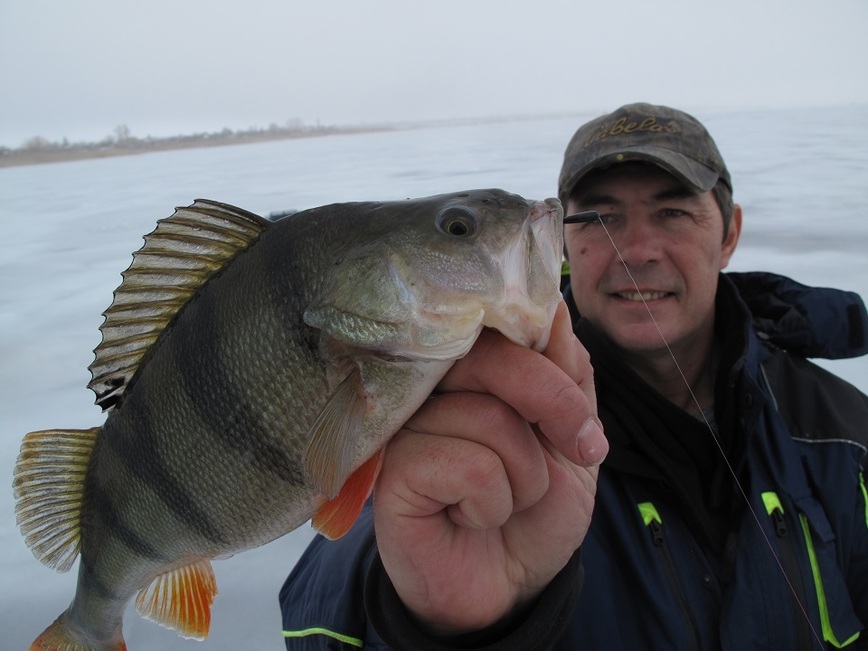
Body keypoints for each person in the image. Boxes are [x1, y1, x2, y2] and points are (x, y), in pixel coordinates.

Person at [279, 103, 868, 649]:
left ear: (730, 233)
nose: (636, 249)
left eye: (672, 212)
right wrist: (433, 623)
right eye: (599, 217)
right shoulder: (455, 389)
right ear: (560, 242)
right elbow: (320, 607)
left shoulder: (846, 435)